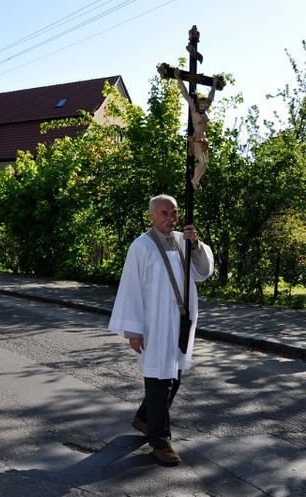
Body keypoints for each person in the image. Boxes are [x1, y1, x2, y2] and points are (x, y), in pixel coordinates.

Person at [108, 194, 213, 465]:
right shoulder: (140, 247)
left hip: (179, 321)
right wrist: (133, 330)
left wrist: (197, 245)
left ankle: (144, 418)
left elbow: (203, 272)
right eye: (165, 213)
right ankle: (161, 443)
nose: (171, 219)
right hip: (153, 325)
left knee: (174, 377)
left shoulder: (183, 241)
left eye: (174, 213)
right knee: (158, 382)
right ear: (152, 216)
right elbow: (131, 288)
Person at [175, 68, 221, 190]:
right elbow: (185, 94)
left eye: (204, 105)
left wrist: (214, 84)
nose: (203, 106)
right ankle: (194, 180)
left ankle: (196, 180)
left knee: (205, 163)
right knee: (202, 161)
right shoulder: (194, 111)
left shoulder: (204, 111)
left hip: (203, 139)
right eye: (201, 105)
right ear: (198, 104)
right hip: (196, 138)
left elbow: (210, 97)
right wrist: (179, 78)